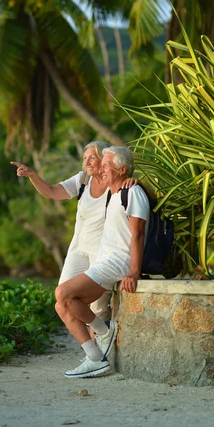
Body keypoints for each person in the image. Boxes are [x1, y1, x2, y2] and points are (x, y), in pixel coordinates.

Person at [10, 142, 137, 341]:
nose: (86, 162)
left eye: (92, 158)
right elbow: (51, 191)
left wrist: (135, 181)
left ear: (103, 159)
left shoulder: (117, 183)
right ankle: (95, 348)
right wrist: (32, 175)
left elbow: (137, 198)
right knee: (64, 300)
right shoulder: (83, 180)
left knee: (97, 306)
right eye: (84, 158)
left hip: (101, 252)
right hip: (78, 249)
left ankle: (101, 352)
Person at [54, 146, 150, 379]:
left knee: (63, 293)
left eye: (106, 165)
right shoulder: (114, 194)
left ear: (122, 169)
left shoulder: (133, 193)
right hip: (104, 260)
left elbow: (138, 234)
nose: (101, 168)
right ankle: (95, 359)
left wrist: (134, 272)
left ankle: (104, 330)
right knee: (62, 305)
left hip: (117, 263)